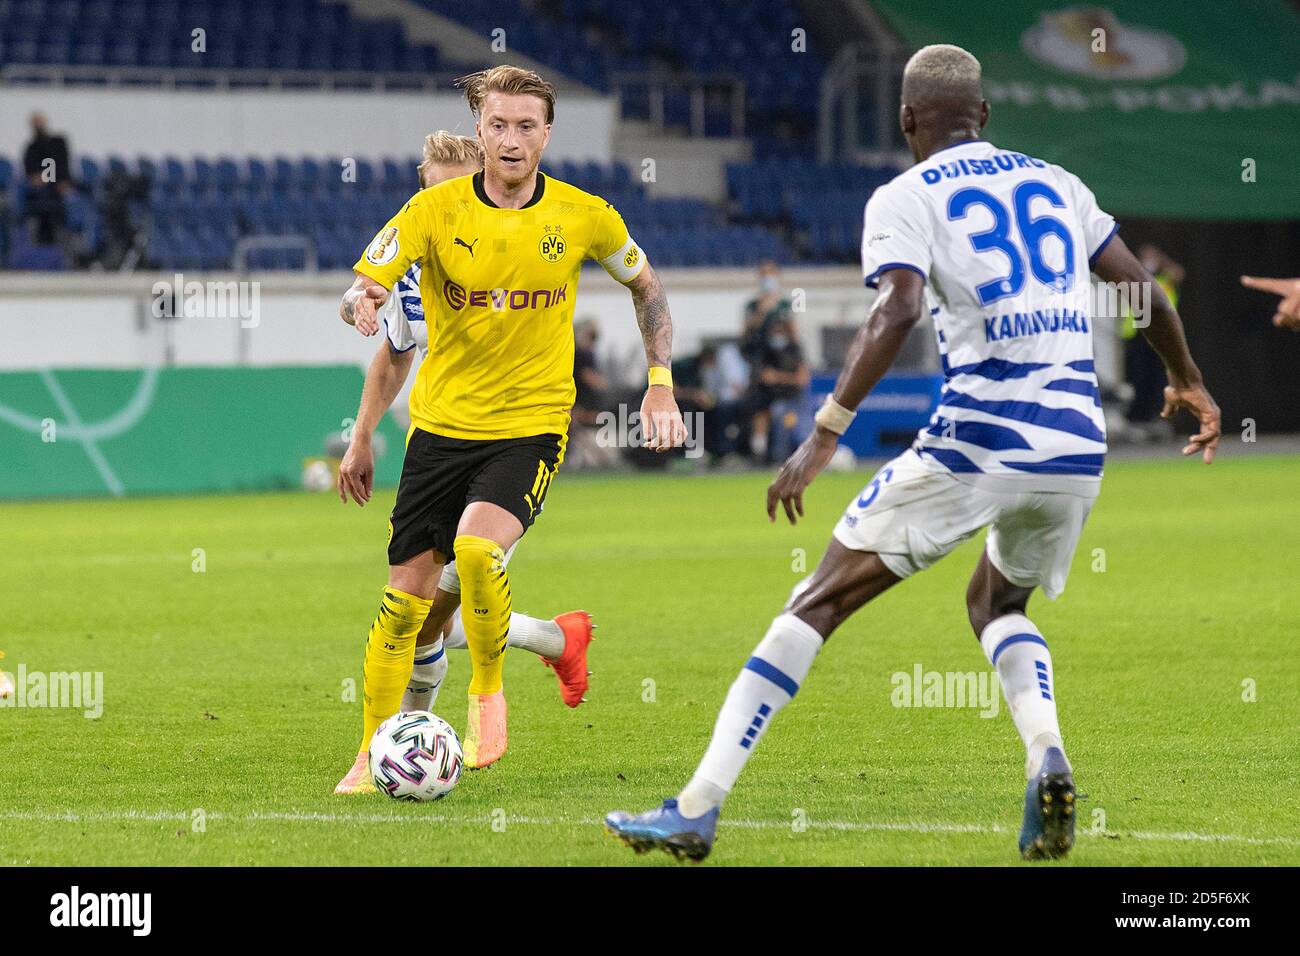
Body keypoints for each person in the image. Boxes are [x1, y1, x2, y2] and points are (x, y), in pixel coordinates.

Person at [606, 44, 1220, 863]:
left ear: (906, 121)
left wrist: (824, 431)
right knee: (997, 605)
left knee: (813, 604)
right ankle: (1048, 757)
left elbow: (896, 308)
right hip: (1075, 444)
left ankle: (695, 806)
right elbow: (1138, 285)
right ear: (985, 116)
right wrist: (1188, 379)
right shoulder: (1057, 182)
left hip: (981, 436)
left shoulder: (903, 196)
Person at [336, 65, 687, 780]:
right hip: (439, 431)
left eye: (526, 126)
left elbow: (645, 285)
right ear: (480, 131)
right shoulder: (431, 214)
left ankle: (487, 695)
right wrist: (363, 301)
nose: (512, 139)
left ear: (547, 134)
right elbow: (368, 282)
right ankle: (372, 754)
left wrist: (660, 385)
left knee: (474, 555)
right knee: (406, 601)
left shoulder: (585, 214)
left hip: (529, 425)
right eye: (498, 124)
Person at [333, 131, 596, 795]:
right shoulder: (418, 264)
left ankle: (404, 746)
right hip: (441, 447)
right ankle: (558, 643)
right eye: (429, 193)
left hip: (513, 444)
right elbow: (392, 348)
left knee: (452, 588)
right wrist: (362, 435)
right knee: (422, 616)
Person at [21, 112, 71, 246]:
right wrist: (37, 178)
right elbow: (30, 171)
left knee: (69, 202)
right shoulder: (31, 148)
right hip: (41, 191)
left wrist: (63, 181)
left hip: (58, 186)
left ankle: (67, 249)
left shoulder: (57, 142)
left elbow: (62, 166)